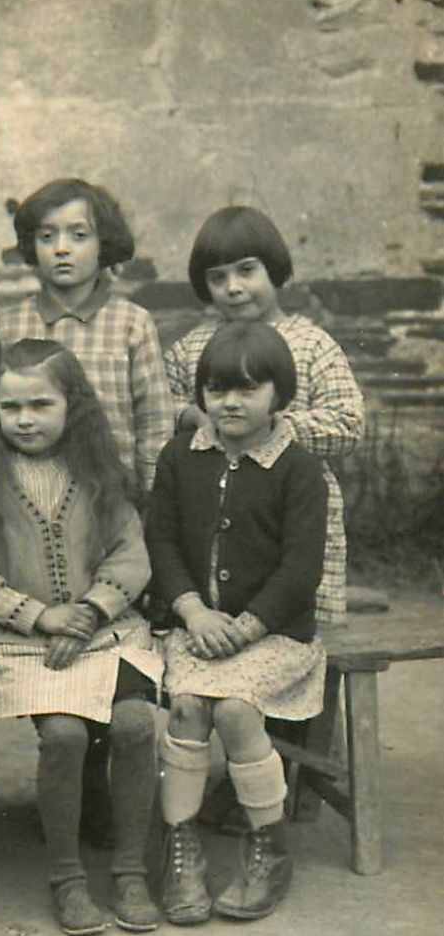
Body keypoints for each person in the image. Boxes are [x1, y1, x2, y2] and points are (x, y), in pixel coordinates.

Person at [0, 339, 161, 936]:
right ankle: (67, 878)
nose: (26, 419)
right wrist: (40, 617)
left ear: (74, 405)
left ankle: (130, 871)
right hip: (19, 638)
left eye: (42, 404)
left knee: (136, 724)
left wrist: (90, 610)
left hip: (103, 628)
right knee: (65, 734)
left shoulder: (98, 471)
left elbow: (129, 554)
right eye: (11, 407)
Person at [0, 177, 174, 849]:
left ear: (104, 243)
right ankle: (72, 781)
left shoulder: (130, 322)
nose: (62, 250)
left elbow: (155, 424)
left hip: (112, 517)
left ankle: (104, 787)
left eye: (77, 234)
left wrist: (151, 512)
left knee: (113, 645)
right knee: (60, 649)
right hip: (35, 514)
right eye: (46, 237)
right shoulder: (12, 322)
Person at [147, 322, 328, 923]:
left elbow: (301, 568)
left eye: (249, 389)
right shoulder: (181, 457)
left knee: (234, 708)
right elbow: (163, 540)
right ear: (200, 394)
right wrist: (192, 610)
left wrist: (247, 626)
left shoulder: (298, 470)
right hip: (195, 626)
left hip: (273, 632)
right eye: (217, 388)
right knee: (190, 707)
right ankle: (181, 846)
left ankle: (269, 846)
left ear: (281, 395)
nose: (230, 402)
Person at [164, 205, 362, 631]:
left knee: (303, 637)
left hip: (292, 513)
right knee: (213, 631)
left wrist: (271, 428)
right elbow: (161, 404)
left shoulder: (311, 344)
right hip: (211, 509)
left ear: (275, 270)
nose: (233, 288)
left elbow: (348, 424)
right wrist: (191, 415)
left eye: (247, 271)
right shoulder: (191, 348)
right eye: (218, 277)